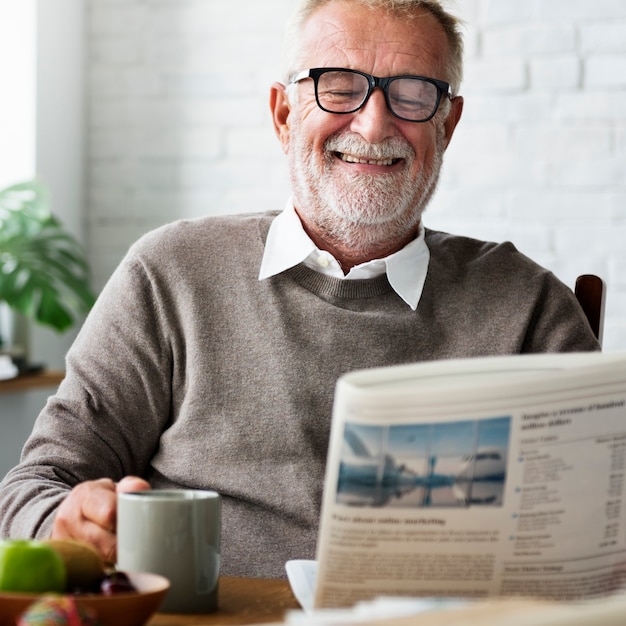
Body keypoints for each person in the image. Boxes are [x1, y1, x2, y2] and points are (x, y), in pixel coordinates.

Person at [0, 0, 599, 579]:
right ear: (284, 115)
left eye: (414, 93)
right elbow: (32, 489)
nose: (374, 122)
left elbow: (597, 533)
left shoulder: (530, 308)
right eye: (339, 86)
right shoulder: (171, 273)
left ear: (448, 123)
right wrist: (67, 523)